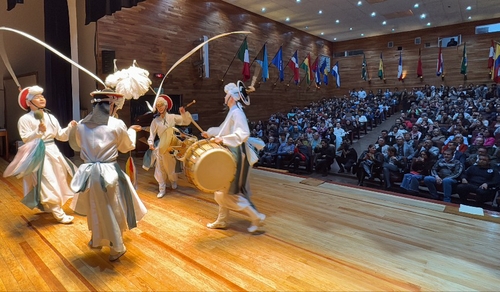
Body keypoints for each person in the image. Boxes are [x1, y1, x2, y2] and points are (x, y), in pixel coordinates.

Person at [70, 89, 147, 261]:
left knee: (95, 206)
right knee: (112, 207)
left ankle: (97, 239)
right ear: (111, 105)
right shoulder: (116, 124)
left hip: (89, 172)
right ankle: (116, 246)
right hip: (108, 172)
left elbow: (81, 144)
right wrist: (132, 131)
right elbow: (126, 146)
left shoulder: (81, 124)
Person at [3, 86, 77, 224]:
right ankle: (58, 212)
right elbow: (25, 139)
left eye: (42, 96)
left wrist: (70, 127)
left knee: (59, 179)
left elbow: (60, 135)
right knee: (49, 181)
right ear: (29, 102)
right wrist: (38, 131)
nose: (42, 98)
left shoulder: (50, 116)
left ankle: (50, 205)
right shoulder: (24, 119)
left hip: (53, 152)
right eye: (37, 97)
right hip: (38, 152)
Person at [202, 81, 265, 233]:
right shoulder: (233, 111)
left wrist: (222, 139)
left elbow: (243, 134)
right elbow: (224, 129)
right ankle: (222, 220)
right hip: (233, 153)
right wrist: (210, 132)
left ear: (231, 97)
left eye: (226, 94)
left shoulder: (237, 112)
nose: (224, 96)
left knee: (228, 192)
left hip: (236, 155)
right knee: (222, 189)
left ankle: (256, 216)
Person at [143, 95, 192, 198]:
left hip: (171, 145)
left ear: (166, 106)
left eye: (161, 105)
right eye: (158, 106)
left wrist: (183, 113)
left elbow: (186, 121)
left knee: (170, 167)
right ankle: (162, 188)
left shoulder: (172, 117)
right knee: (160, 167)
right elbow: (152, 133)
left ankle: (173, 181)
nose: (160, 108)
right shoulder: (155, 121)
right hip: (161, 146)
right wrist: (151, 143)